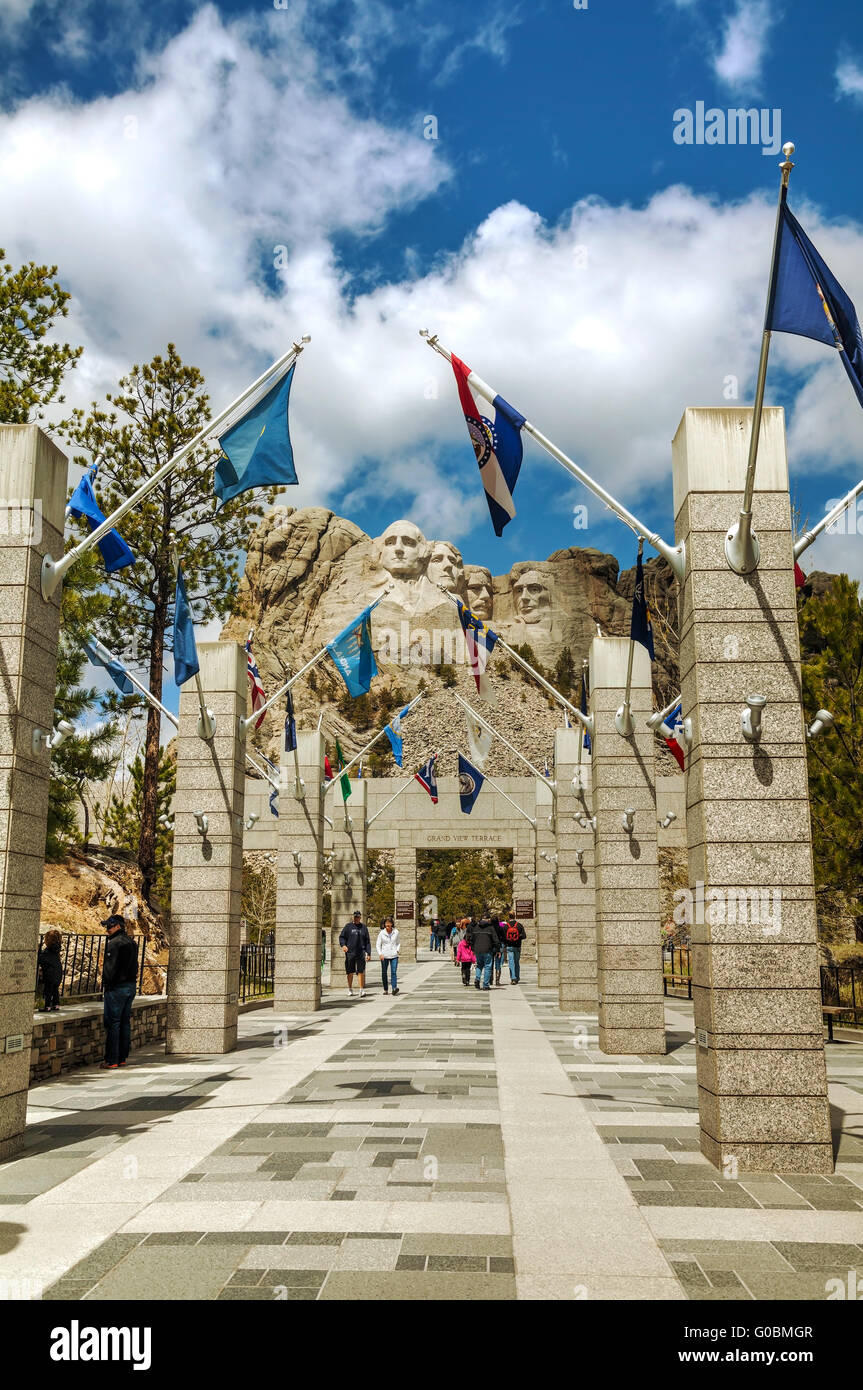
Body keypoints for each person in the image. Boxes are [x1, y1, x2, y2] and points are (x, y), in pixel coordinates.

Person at [100, 914, 139, 1070]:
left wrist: (107, 984)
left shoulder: (114, 944)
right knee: (124, 1022)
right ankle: (122, 1057)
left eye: (109, 926)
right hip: (130, 986)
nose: (107, 929)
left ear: (117, 926)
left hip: (116, 988)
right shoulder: (132, 943)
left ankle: (112, 1059)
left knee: (113, 1023)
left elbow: (110, 969)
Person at [339, 910, 371, 997]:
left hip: (361, 952)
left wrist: (368, 953)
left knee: (361, 971)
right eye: (355, 917)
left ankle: (361, 989)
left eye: (358, 917)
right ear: (353, 917)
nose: (356, 918)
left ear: (360, 918)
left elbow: (367, 941)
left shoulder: (364, 927)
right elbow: (342, 937)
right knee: (350, 972)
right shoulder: (348, 927)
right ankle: (350, 989)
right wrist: (343, 945)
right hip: (350, 953)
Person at [467, 916, 499, 991]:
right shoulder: (490, 928)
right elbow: (495, 939)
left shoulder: (476, 928)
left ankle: (477, 979)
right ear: (488, 919)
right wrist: (497, 949)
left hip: (478, 950)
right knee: (488, 966)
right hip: (487, 950)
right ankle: (485, 984)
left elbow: (471, 939)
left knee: (479, 965)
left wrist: (473, 949)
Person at [37, 929, 63, 1012]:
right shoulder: (57, 949)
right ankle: (56, 1005)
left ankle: (47, 1006)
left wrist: (38, 953)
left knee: (48, 990)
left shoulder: (47, 951)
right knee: (55, 989)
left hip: (50, 973)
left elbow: (41, 959)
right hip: (58, 972)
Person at [376, 916, 401, 996]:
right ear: (384, 925)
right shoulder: (381, 933)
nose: (388, 927)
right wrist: (380, 954)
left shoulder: (396, 932)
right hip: (384, 955)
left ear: (392, 924)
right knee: (384, 972)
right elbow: (378, 945)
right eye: (386, 925)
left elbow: (398, 942)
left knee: (393, 972)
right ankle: (386, 989)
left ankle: (394, 988)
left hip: (394, 955)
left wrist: (397, 949)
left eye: (389, 925)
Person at [503, 909, 527, 984]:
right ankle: (517, 977)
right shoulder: (519, 925)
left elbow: (503, 937)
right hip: (517, 946)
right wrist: (518, 937)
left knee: (511, 963)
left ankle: (513, 978)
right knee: (516, 962)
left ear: (508, 917)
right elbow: (524, 936)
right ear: (515, 916)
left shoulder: (506, 926)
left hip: (509, 947)